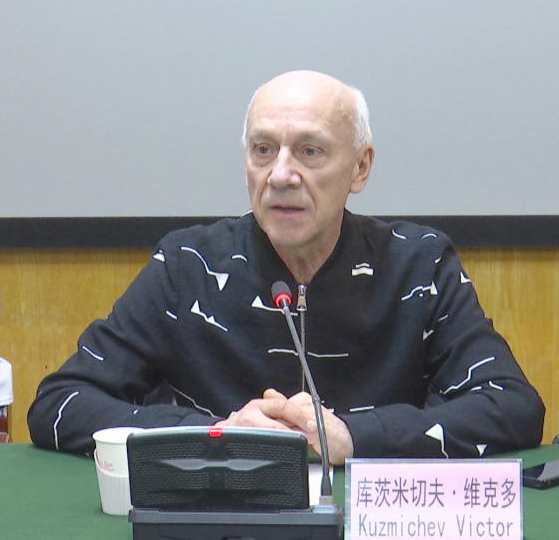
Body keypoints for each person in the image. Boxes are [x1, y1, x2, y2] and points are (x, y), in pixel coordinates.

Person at [28, 70, 544, 464]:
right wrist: (216, 434)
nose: (280, 175)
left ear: (361, 167)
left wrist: (354, 437)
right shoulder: (188, 265)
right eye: (263, 150)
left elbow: (513, 407)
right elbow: (59, 403)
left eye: (309, 151)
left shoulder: (418, 264)